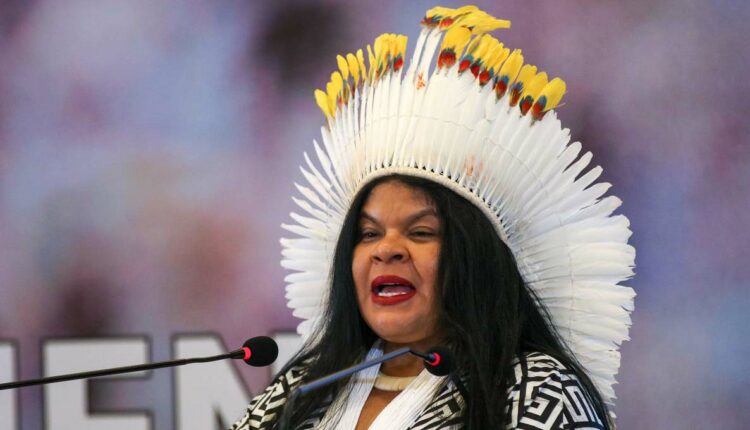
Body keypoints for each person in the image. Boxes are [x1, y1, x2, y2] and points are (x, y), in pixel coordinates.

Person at [231, 5, 635, 429]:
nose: (386, 250)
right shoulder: (300, 388)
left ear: (478, 259)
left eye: (421, 232)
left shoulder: (538, 390)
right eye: (368, 234)